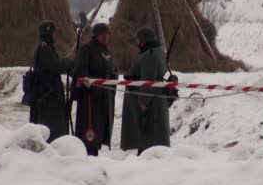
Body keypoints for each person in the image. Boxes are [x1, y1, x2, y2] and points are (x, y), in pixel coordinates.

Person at [120, 27, 170, 155]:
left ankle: (146, 158)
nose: (138, 43)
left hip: (151, 99)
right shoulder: (155, 52)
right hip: (155, 96)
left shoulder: (150, 55)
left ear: (143, 40)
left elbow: (148, 80)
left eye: (139, 40)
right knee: (151, 132)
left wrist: (143, 102)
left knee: (148, 132)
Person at [73, 23, 116, 156]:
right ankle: (88, 154)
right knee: (89, 129)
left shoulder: (107, 51)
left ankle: (94, 151)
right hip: (90, 97)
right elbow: (80, 72)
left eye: (107, 34)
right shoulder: (87, 49)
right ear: (95, 35)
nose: (105, 37)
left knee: (101, 127)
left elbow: (111, 70)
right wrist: (90, 84)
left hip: (105, 96)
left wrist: (112, 80)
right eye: (102, 34)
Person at [31, 20, 74, 143]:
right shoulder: (44, 48)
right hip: (48, 95)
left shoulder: (46, 46)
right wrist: (68, 63)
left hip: (50, 93)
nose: (56, 35)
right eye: (54, 32)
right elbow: (55, 66)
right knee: (52, 127)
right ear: (48, 33)